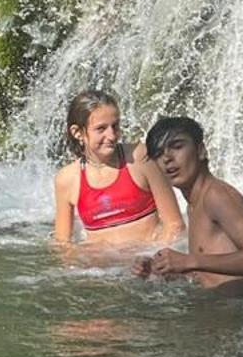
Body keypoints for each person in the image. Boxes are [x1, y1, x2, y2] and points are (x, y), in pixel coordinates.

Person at [134, 115, 243, 294]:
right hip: (219, 308)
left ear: (201, 151)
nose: (167, 158)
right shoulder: (194, 205)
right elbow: (210, 275)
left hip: (239, 313)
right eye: (158, 154)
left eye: (177, 146)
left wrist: (189, 261)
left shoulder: (217, 196)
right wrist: (163, 270)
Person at [53, 88, 184, 251]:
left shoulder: (140, 157)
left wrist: (154, 260)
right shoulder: (67, 179)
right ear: (77, 132)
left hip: (148, 262)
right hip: (101, 270)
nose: (112, 135)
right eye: (101, 129)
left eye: (115, 126)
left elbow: (175, 225)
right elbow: (62, 245)